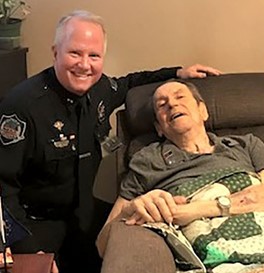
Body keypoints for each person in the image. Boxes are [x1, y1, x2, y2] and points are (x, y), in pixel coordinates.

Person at [0, 10, 221, 273]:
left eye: (94, 56)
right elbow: (3, 187)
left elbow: (131, 82)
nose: (84, 65)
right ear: (55, 52)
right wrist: (25, 247)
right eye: (75, 53)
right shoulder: (21, 106)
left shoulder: (102, 88)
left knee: (132, 237)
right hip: (35, 222)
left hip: (84, 214)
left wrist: (177, 72)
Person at [97, 80, 264, 273]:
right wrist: (130, 212)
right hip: (219, 246)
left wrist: (192, 210)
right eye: (162, 104)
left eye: (180, 97)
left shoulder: (246, 145)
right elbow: (103, 243)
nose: (172, 105)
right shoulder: (147, 161)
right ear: (159, 127)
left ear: (203, 110)